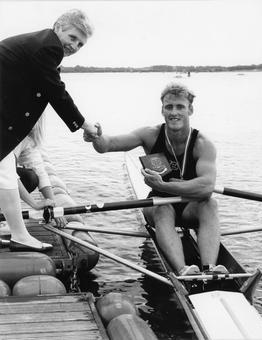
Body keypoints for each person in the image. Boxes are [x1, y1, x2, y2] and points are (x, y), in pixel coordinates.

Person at [84, 82, 228, 276]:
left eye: (180, 107)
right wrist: (97, 137)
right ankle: (183, 270)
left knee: (210, 203)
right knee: (163, 208)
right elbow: (108, 145)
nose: (174, 112)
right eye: (169, 107)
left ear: (190, 110)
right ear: (162, 110)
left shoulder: (203, 144)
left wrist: (164, 185)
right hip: (158, 206)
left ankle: (210, 270)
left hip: (189, 208)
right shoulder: (150, 135)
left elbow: (206, 188)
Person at [0, 9, 97, 251]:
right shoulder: (48, 47)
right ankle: (20, 236)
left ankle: (17, 234)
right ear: (58, 27)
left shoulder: (40, 45)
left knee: (4, 173)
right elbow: (56, 91)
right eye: (72, 37)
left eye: (80, 44)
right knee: (5, 174)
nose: (74, 45)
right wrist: (84, 124)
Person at [14, 116, 67, 228]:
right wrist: (36, 204)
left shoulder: (28, 138)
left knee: (31, 178)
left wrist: (54, 207)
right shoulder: (10, 132)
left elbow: (39, 171)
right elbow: (7, 174)